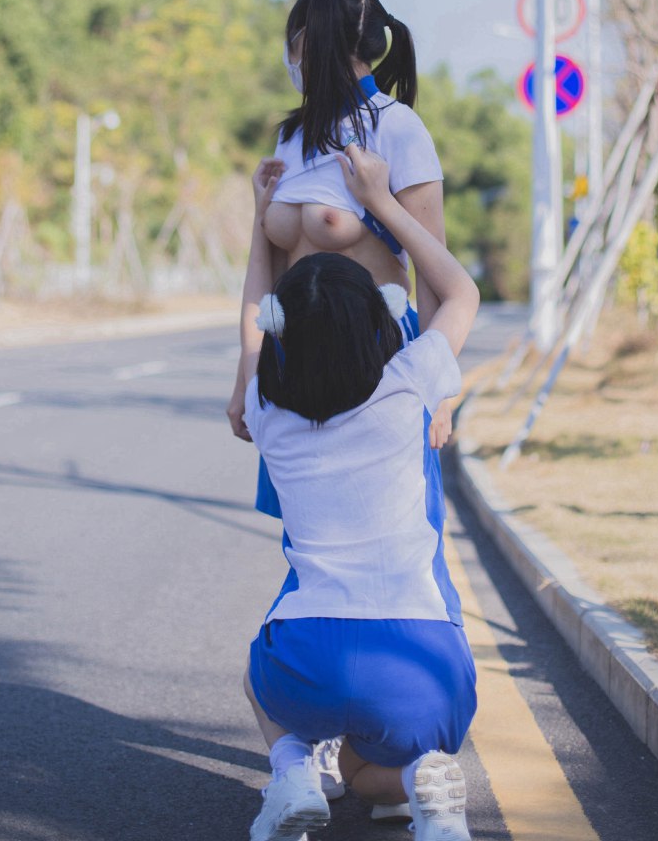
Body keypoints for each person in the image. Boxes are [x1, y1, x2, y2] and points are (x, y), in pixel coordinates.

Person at [238, 145, 480, 841]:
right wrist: (381, 202)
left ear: (281, 332)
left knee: (260, 682)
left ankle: (289, 770)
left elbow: (257, 318)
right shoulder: (410, 382)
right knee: (374, 769)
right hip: (424, 662)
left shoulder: (266, 409)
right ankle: (419, 779)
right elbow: (460, 292)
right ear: (377, 325)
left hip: (307, 654)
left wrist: (262, 223)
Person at [226, 0, 459, 503]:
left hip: (372, 358)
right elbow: (269, 266)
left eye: (297, 39)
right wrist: (246, 375)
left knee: (387, 527)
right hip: (292, 365)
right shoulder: (292, 136)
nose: (291, 55)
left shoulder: (397, 129)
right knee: (309, 537)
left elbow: (434, 268)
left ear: (316, 40)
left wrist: (438, 389)